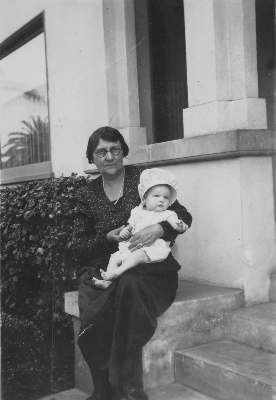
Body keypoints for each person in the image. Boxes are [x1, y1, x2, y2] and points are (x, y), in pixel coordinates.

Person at [68, 126, 192, 400]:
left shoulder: (143, 178)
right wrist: (107, 238)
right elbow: (76, 245)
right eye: (101, 151)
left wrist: (160, 229)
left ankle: (129, 380)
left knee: (130, 286)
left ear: (123, 151)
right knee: (92, 304)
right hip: (106, 263)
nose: (109, 156)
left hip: (150, 265)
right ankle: (102, 386)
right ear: (92, 158)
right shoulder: (86, 195)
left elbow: (182, 214)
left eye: (114, 149)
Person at [93, 168, 188, 288]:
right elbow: (130, 226)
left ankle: (117, 272)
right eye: (157, 196)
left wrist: (179, 225)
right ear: (144, 198)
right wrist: (124, 231)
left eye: (166, 197)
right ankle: (109, 280)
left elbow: (175, 222)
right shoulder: (137, 212)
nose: (161, 200)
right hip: (133, 246)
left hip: (152, 249)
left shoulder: (166, 213)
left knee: (136, 256)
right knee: (114, 257)